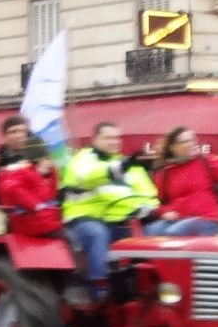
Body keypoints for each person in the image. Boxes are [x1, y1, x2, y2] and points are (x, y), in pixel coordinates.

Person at [61, 122, 160, 296]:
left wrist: (148, 210)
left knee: (152, 237)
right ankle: (98, 286)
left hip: (116, 220)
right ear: (95, 139)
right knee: (97, 234)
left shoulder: (126, 164)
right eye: (108, 138)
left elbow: (148, 194)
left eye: (117, 137)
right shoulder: (82, 159)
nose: (114, 141)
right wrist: (121, 166)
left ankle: (150, 288)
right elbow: (87, 177)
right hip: (82, 218)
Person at [0, 135, 61, 237]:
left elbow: (51, 197)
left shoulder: (47, 174)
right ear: (37, 159)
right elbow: (15, 191)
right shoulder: (17, 173)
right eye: (46, 159)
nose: (50, 163)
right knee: (69, 240)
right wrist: (36, 205)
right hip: (30, 222)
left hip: (43, 220)